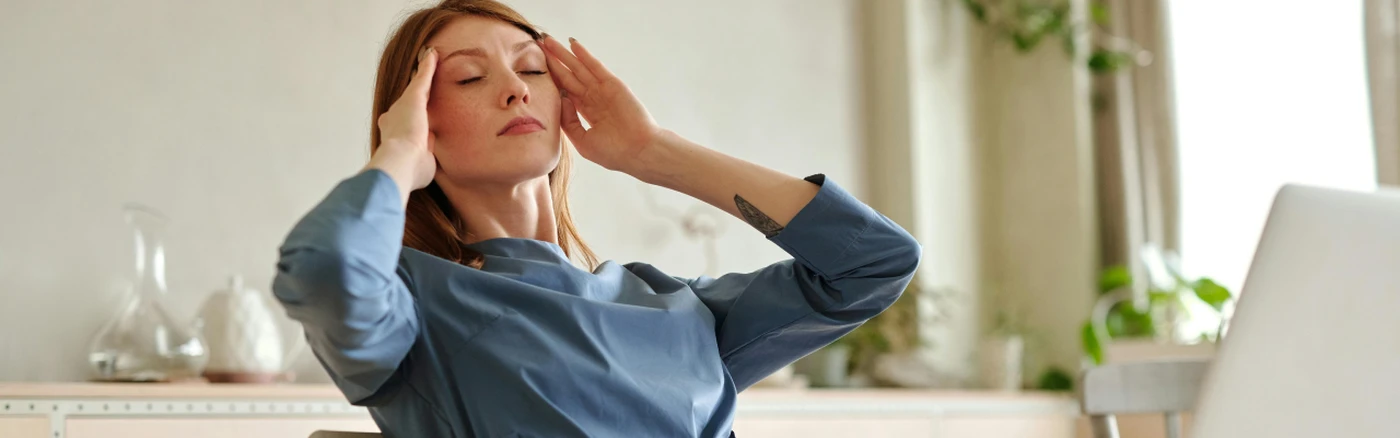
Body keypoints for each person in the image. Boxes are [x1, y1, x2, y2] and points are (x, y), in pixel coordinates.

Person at [272, 1, 921, 436]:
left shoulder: (673, 307)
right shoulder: (414, 307)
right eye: (470, 79)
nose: (517, 88)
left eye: (532, 68)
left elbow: (873, 264)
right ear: (418, 119)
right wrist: (398, 155)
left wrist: (653, 152)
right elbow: (325, 268)